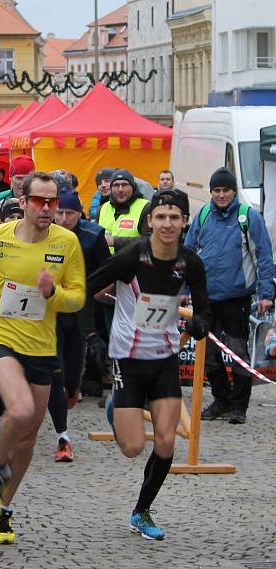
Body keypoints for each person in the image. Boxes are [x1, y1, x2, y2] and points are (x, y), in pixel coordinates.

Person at [0, 171, 85, 544]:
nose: (46, 208)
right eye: (39, 201)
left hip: (41, 346)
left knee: (28, 439)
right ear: (22, 202)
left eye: (52, 201)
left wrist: (53, 292)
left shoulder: (67, 243)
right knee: (20, 410)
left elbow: (78, 297)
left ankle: (3, 510)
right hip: (0, 337)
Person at [88, 190, 211, 541]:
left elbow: (205, 308)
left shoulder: (190, 262)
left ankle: (141, 512)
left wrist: (199, 323)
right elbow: (91, 285)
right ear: (151, 222)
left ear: (185, 221)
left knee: (166, 442)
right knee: (131, 448)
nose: (168, 223)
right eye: (161, 217)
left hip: (165, 360)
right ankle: (116, 406)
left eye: (175, 216)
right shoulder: (132, 256)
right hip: (128, 358)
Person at [185, 167, 275, 424]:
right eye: (217, 190)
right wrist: (184, 288)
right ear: (211, 192)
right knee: (208, 354)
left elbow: (264, 257)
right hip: (206, 297)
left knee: (237, 352)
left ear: (234, 191)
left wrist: (266, 292)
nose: (222, 195)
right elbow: (188, 253)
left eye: (226, 190)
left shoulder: (248, 217)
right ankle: (222, 400)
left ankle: (239, 406)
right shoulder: (203, 214)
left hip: (237, 297)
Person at [48, 187, 111, 462]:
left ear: (79, 212)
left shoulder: (92, 235)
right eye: (59, 212)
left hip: (82, 312)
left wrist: (97, 290)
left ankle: (73, 389)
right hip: (51, 313)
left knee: (72, 377)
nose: (62, 218)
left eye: (69, 213)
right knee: (55, 373)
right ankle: (63, 438)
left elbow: (109, 268)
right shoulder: (46, 235)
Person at [98, 169, 149, 254]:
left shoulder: (145, 207)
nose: (120, 189)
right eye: (116, 185)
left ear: (133, 187)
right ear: (111, 188)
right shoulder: (102, 209)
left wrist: (114, 241)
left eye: (124, 185)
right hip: (106, 264)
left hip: (133, 263)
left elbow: (148, 240)